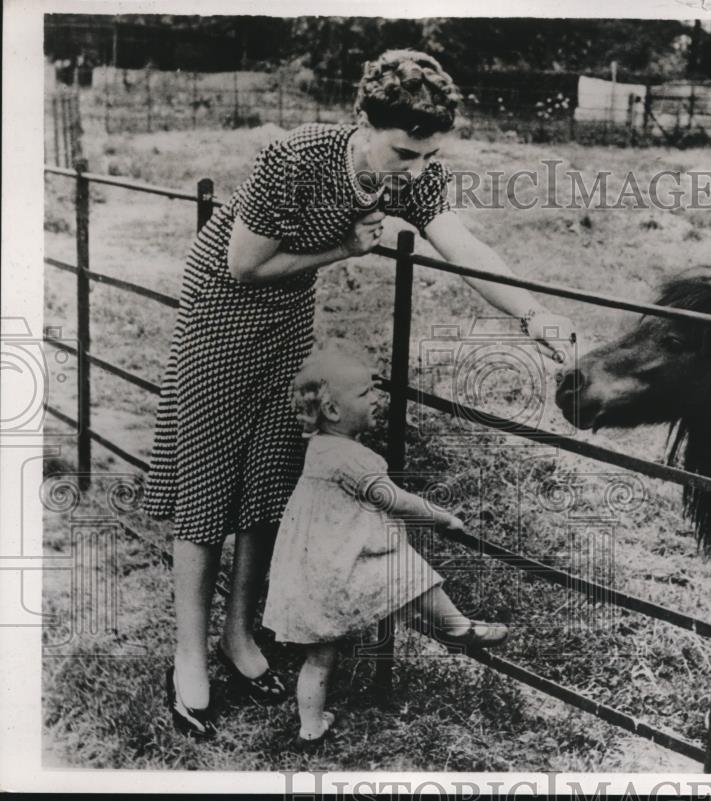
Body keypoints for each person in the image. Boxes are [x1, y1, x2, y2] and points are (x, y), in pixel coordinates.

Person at [143, 48, 578, 739]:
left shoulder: (411, 177)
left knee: (267, 478)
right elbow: (244, 263)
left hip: (287, 318)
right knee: (206, 483)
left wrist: (533, 315)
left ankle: (240, 637)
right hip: (222, 311)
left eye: (430, 155)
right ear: (362, 121)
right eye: (406, 151)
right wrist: (345, 250)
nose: (416, 170)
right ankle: (188, 657)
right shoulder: (296, 158)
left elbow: (464, 247)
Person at [263, 343, 508, 745]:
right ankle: (458, 627)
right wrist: (442, 517)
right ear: (334, 412)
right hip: (337, 571)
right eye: (365, 393)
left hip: (309, 573)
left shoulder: (320, 449)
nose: (378, 399)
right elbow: (398, 500)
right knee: (407, 571)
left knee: (319, 657)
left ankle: (310, 728)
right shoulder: (355, 461)